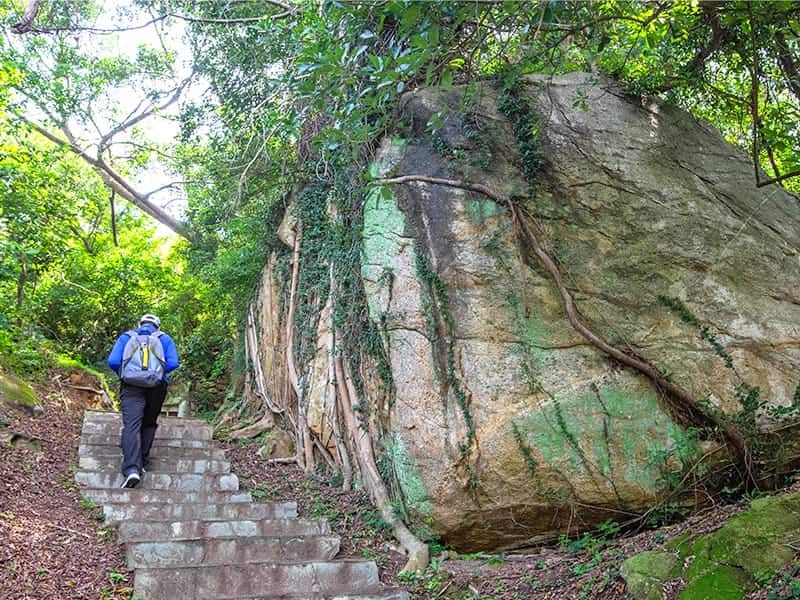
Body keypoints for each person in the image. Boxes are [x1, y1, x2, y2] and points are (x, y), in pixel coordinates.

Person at [108, 313, 179, 488]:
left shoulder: (127, 337)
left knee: (132, 425)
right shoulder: (164, 339)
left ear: (139, 324)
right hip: (157, 387)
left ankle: (132, 469)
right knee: (148, 423)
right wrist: (156, 374)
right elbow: (173, 363)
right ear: (158, 327)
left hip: (130, 385)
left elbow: (113, 361)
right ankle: (142, 461)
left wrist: (126, 374)